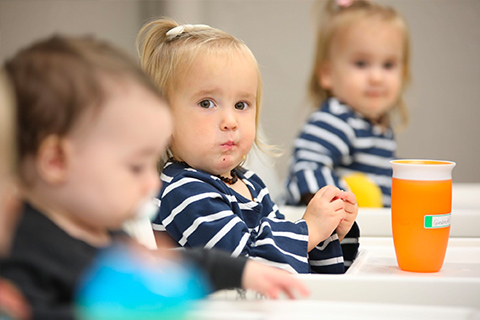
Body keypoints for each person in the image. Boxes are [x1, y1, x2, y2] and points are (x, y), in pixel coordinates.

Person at [0, 35, 309, 320]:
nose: (152, 183)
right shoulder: (23, 253)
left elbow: (174, 267)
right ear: (56, 162)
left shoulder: (105, 231)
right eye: (135, 167)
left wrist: (243, 272)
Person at [137, 18, 358, 275]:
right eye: (207, 103)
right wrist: (309, 230)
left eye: (241, 105)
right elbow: (246, 265)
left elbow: (287, 258)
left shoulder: (251, 183)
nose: (230, 121)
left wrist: (328, 234)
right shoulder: (183, 192)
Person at [284, 0, 411, 209]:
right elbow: (306, 167)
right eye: (361, 63)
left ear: (403, 73)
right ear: (328, 74)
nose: (377, 77)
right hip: (329, 233)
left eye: (388, 65)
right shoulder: (336, 119)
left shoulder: (378, 126)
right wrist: (340, 202)